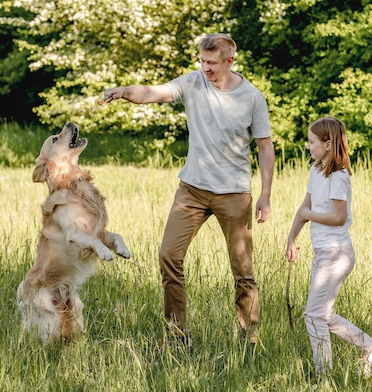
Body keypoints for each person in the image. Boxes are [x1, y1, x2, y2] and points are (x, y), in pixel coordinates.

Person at [101, 33, 274, 346]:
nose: (205, 68)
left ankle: (249, 338)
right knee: (169, 255)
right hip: (191, 190)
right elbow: (153, 93)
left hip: (233, 194)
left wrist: (265, 195)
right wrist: (124, 91)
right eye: (202, 61)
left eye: (211, 63)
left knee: (243, 270)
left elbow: (265, 147)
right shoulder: (193, 83)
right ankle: (177, 335)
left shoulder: (252, 98)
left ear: (229, 61)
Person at [285, 116, 372, 377]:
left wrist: (310, 215)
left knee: (313, 316)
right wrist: (291, 238)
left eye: (312, 142)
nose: (308, 146)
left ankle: (324, 375)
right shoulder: (316, 170)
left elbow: (338, 217)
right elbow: (304, 207)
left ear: (329, 143)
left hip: (337, 254)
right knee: (323, 314)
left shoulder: (339, 176)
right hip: (324, 253)